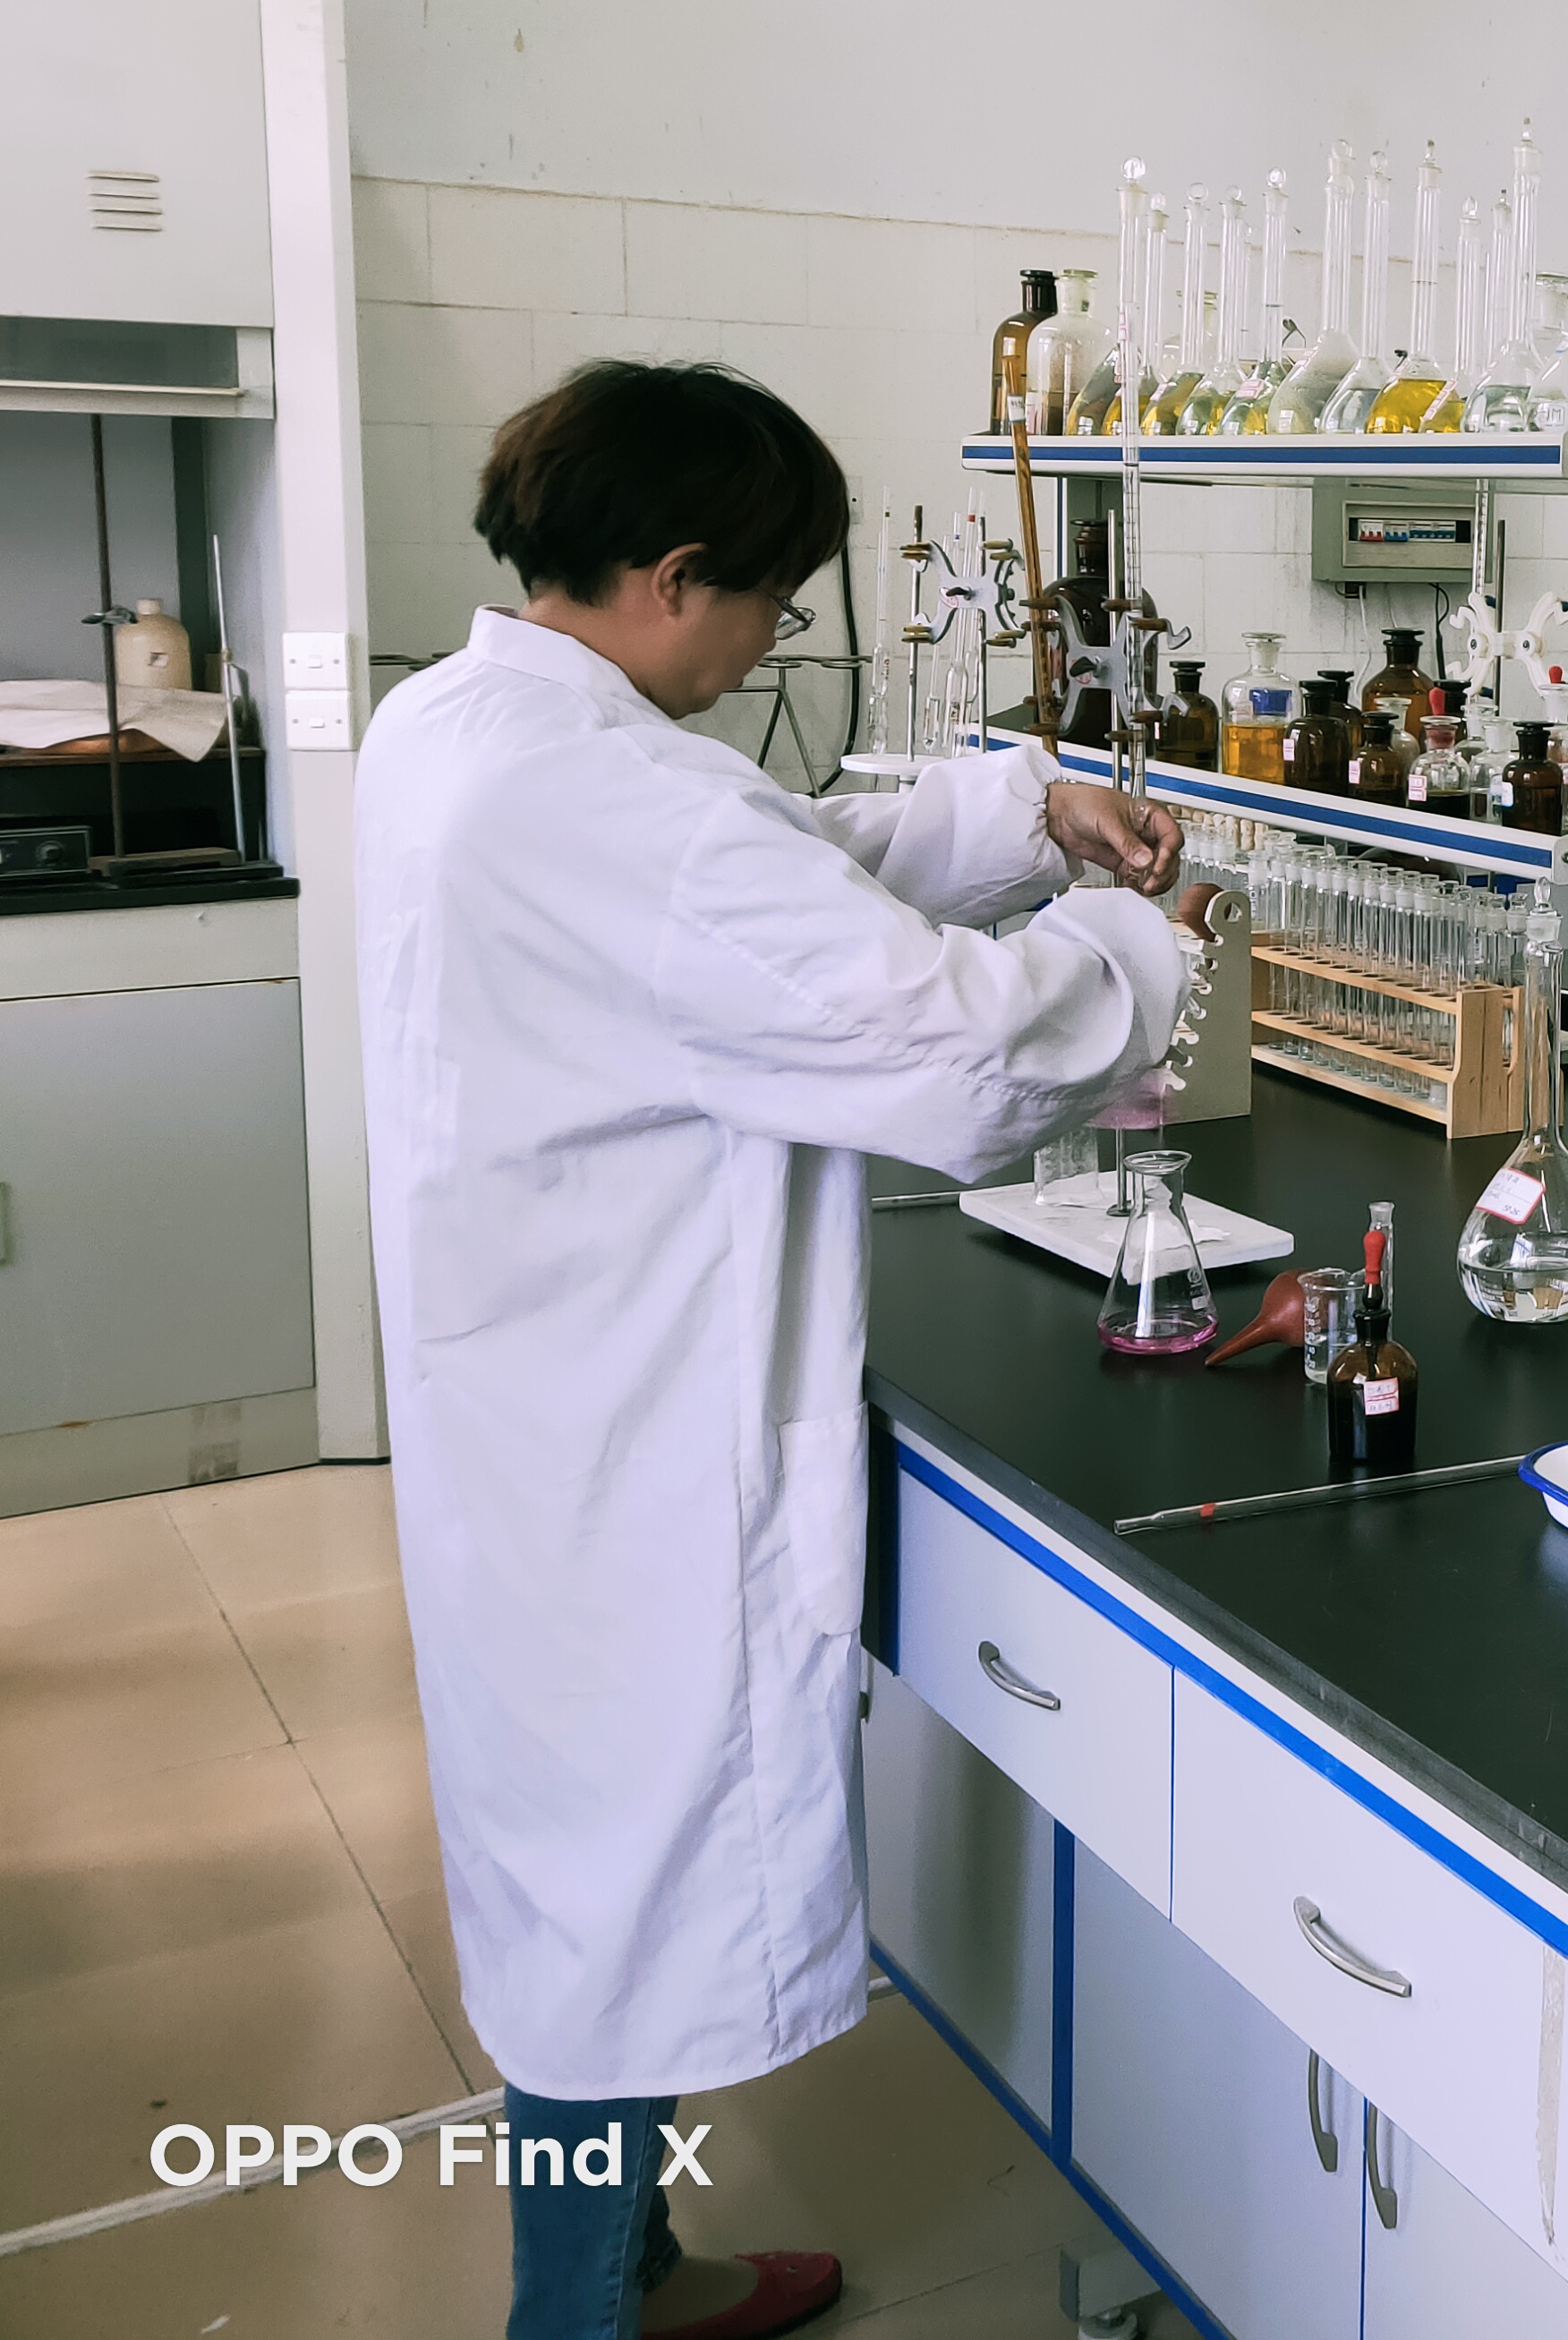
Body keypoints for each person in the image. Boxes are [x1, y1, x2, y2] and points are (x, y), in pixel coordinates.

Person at [358, 363, 1201, 2340]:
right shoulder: (613, 803)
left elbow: (770, 868)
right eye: (769, 600)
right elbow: (953, 1050)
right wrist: (1143, 949)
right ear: (672, 577)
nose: (770, 642)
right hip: (629, 1440)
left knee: (584, 1897)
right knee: (610, 1906)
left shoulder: (460, 720)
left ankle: (626, 2271)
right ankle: (581, 2318)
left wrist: (1024, 812)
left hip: (534, 1405)